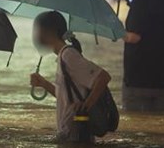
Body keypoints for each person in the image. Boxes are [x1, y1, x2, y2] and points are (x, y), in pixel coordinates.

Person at [29, 11, 111, 141]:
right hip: (69, 133)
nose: (36, 36)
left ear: (51, 32)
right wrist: (44, 84)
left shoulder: (68, 56)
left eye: (39, 30)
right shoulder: (62, 57)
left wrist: (85, 106)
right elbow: (66, 97)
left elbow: (103, 77)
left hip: (77, 133)